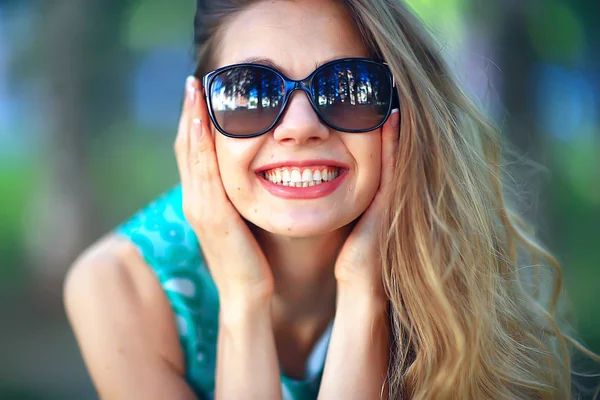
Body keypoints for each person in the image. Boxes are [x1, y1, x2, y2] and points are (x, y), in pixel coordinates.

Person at [63, 0, 600, 399]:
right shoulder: (117, 288)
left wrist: (365, 294)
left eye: (347, 88)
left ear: (405, 109)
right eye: (249, 90)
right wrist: (244, 301)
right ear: (199, 119)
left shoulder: (448, 265)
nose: (300, 127)